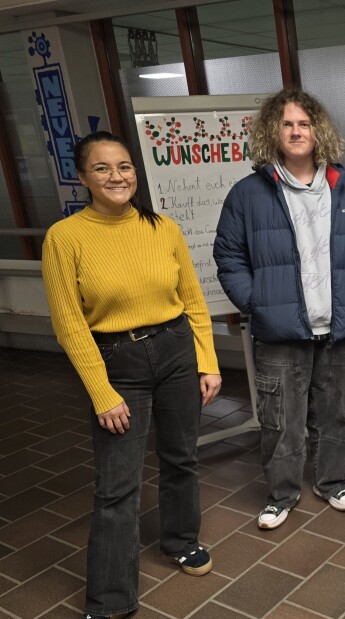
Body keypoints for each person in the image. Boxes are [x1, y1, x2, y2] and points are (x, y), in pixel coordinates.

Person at [41, 131, 222, 618]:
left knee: (181, 456)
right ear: (83, 178)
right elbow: (70, 326)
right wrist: (101, 392)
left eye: (124, 166)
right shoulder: (65, 237)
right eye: (102, 168)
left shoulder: (162, 227)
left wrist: (207, 360)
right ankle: (110, 599)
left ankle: (180, 540)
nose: (116, 176)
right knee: (117, 485)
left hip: (177, 351)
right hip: (117, 361)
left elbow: (193, 301)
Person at [213, 89, 345, 529]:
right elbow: (229, 257)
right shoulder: (249, 194)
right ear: (273, 132)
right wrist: (257, 304)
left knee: (334, 415)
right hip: (280, 330)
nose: (296, 131)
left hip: (336, 327)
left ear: (317, 130)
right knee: (281, 420)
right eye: (287, 124)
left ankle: (332, 483)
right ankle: (282, 493)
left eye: (304, 124)